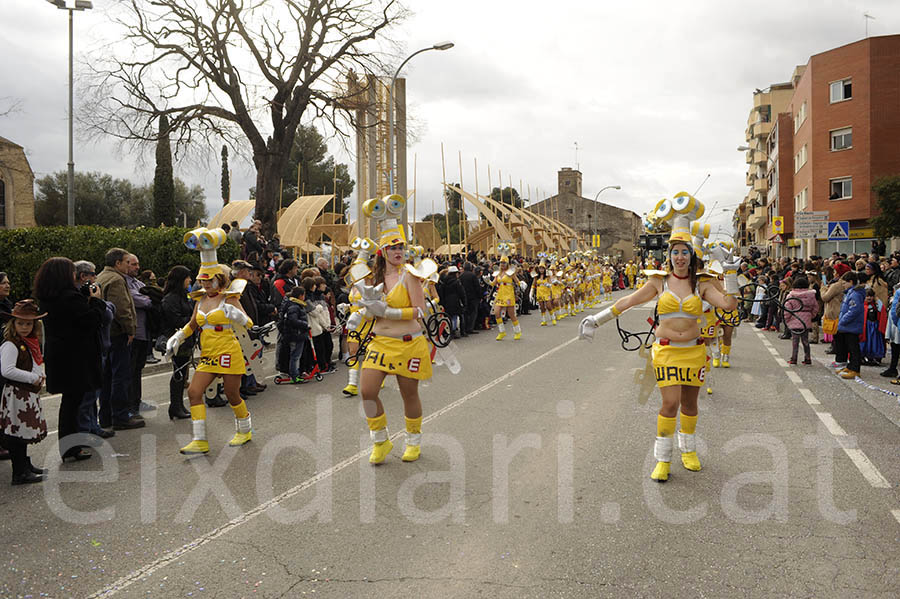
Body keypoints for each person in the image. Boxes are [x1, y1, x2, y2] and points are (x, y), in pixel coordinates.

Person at [579, 193, 739, 482]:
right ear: (669, 256)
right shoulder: (658, 280)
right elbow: (628, 301)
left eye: (685, 252)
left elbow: (728, 305)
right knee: (670, 404)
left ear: (692, 255)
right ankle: (663, 458)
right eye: (675, 252)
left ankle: (688, 451)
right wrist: (597, 319)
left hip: (694, 352)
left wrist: (730, 275)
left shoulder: (702, 283)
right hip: (665, 351)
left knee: (691, 405)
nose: (680, 257)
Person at [165, 230, 254, 455]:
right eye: (202, 279)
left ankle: (245, 429)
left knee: (233, 394)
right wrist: (178, 337)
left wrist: (236, 316)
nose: (205, 283)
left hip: (228, 351)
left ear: (220, 279)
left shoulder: (230, 297)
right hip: (208, 353)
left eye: (209, 279)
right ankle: (200, 440)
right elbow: (193, 323)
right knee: (195, 392)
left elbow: (249, 323)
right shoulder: (201, 299)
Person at [356, 227, 431, 464]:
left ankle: (413, 442)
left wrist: (390, 312)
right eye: (393, 248)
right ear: (383, 251)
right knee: (367, 393)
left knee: (409, 394)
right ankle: (380, 441)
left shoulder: (409, 275)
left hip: (408, 344)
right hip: (380, 343)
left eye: (401, 247)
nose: (398, 251)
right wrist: (361, 314)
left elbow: (421, 311)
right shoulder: (372, 279)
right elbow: (371, 314)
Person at [33, 257, 108, 461]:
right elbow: (91, 321)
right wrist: (97, 301)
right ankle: (71, 447)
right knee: (73, 403)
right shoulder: (69, 298)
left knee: (70, 402)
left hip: (60, 355)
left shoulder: (48, 298)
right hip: (77, 357)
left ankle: (71, 445)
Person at [0, 300, 49, 484]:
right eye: (20, 323)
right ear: (13, 324)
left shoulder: (28, 343)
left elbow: (36, 362)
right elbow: (7, 370)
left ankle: (24, 464)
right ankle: (19, 471)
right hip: (15, 393)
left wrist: (39, 375)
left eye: (28, 323)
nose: (24, 327)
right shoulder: (11, 345)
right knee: (16, 433)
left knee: (23, 430)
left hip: (26, 393)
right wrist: (32, 378)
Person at [96, 248, 144, 430]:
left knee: (107, 376)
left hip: (107, 335)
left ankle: (106, 416)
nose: (128, 265)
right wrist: (130, 329)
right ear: (117, 263)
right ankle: (120, 416)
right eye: (126, 262)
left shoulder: (101, 276)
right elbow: (122, 309)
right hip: (117, 334)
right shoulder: (116, 279)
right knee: (120, 376)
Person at [73, 260, 116, 441]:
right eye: (92, 274)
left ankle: (93, 426)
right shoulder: (78, 297)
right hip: (90, 350)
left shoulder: (86, 294)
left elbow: (109, 312)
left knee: (94, 392)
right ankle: (85, 430)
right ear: (83, 277)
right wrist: (98, 302)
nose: (96, 278)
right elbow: (105, 316)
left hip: (99, 347)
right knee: (88, 395)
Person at [160, 266, 194, 420]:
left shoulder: (183, 296)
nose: (190, 280)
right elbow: (174, 320)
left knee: (182, 372)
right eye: (187, 277)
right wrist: (194, 321)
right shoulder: (170, 299)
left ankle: (178, 405)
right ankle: (175, 406)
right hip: (176, 341)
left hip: (186, 340)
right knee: (178, 373)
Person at [124, 254, 155, 415]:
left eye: (138, 264)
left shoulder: (137, 282)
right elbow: (140, 300)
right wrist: (149, 298)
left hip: (143, 332)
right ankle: (129, 405)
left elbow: (150, 295)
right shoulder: (124, 283)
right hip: (133, 333)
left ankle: (136, 401)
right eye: (133, 264)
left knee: (137, 370)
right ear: (124, 264)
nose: (137, 267)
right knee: (130, 370)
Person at [833, 271, 866, 379]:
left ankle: (855, 369)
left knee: (853, 348)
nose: (843, 286)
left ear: (851, 282)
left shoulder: (855, 294)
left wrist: (843, 320)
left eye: (844, 283)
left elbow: (854, 310)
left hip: (852, 326)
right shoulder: (849, 293)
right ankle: (850, 366)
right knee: (848, 347)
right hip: (847, 326)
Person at [783, 277, 818, 365]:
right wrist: (810, 316)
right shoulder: (811, 295)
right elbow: (815, 308)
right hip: (806, 319)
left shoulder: (791, 295)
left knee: (795, 341)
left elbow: (787, 309)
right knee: (805, 340)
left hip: (794, 319)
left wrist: (787, 320)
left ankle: (794, 358)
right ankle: (808, 358)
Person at [278, 286, 310, 383]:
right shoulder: (294, 306)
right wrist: (305, 325)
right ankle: (294, 376)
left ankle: (296, 373)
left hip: (296, 333)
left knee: (296, 355)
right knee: (295, 356)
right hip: (296, 334)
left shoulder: (295, 305)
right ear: (300, 296)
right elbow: (293, 320)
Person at [490, 253, 522, 341]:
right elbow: (493, 283)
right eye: (501, 263)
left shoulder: (510, 273)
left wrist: (521, 284)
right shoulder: (497, 273)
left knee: (511, 314)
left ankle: (517, 331)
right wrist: (488, 281)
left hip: (508, 294)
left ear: (507, 264)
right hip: (500, 294)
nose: (502, 265)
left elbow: (517, 281)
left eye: (504, 263)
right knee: (496, 312)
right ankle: (502, 332)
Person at [439, 265, 467, 338]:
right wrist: (464, 302)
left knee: (450, 317)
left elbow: (442, 293)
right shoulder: (457, 282)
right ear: (455, 273)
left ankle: (450, 331)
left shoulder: (444, 282)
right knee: (456, 317)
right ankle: (456, 331)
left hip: (447, 301)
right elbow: (462, 293)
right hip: (456, 301)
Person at [458, 262, 481, 335]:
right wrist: (480, 296)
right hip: (473, 297)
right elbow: (477, 287)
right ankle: (470, 328)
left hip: (464, 297)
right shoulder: (473, 276)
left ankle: (464, 328)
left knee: (465, 313)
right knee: (473, 313)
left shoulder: (461, 276)